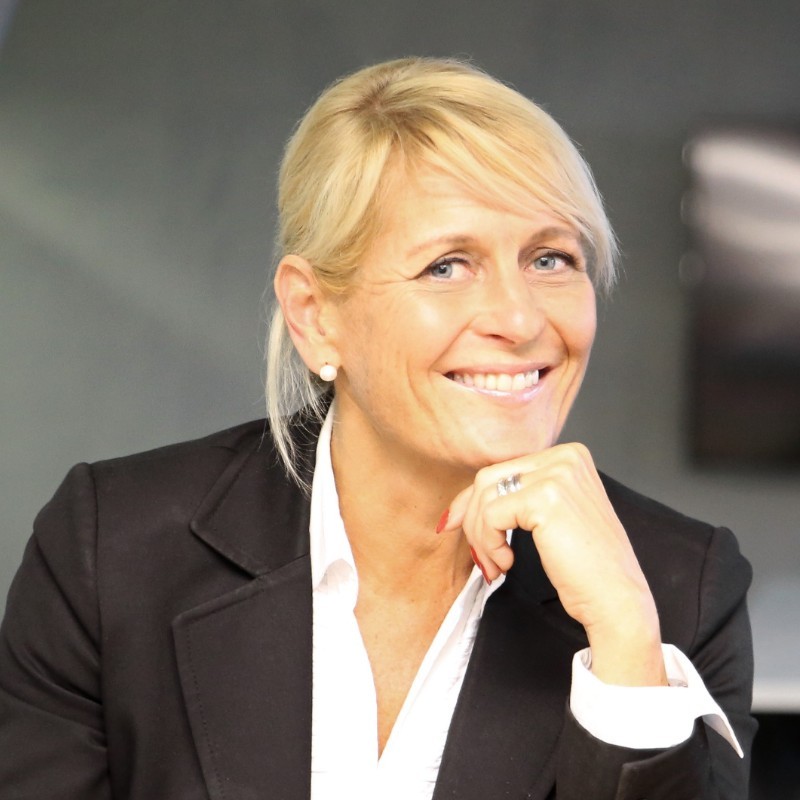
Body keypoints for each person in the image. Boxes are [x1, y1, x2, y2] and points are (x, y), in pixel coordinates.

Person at [0, 57, 755, 800]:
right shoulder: (113, 548)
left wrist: (624, 642)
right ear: (314, 315)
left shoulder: (678, 588)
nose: (521, 319)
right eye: (447, 266)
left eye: (551, 258)